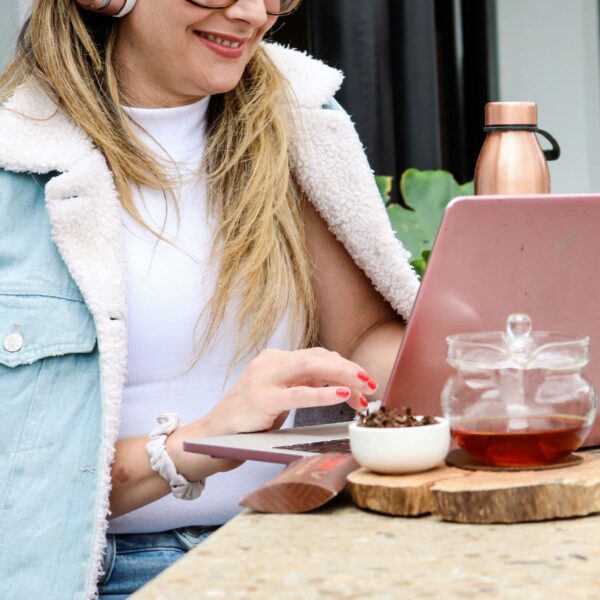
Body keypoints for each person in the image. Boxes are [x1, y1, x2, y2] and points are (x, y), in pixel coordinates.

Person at [0, 0, 419, 597]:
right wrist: (198, 440)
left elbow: (358, 339)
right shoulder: (14, 159)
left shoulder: (298, 123)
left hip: (293, 542)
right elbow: (18, 492)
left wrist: (473, 363)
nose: (253, 13)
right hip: (106, 575)